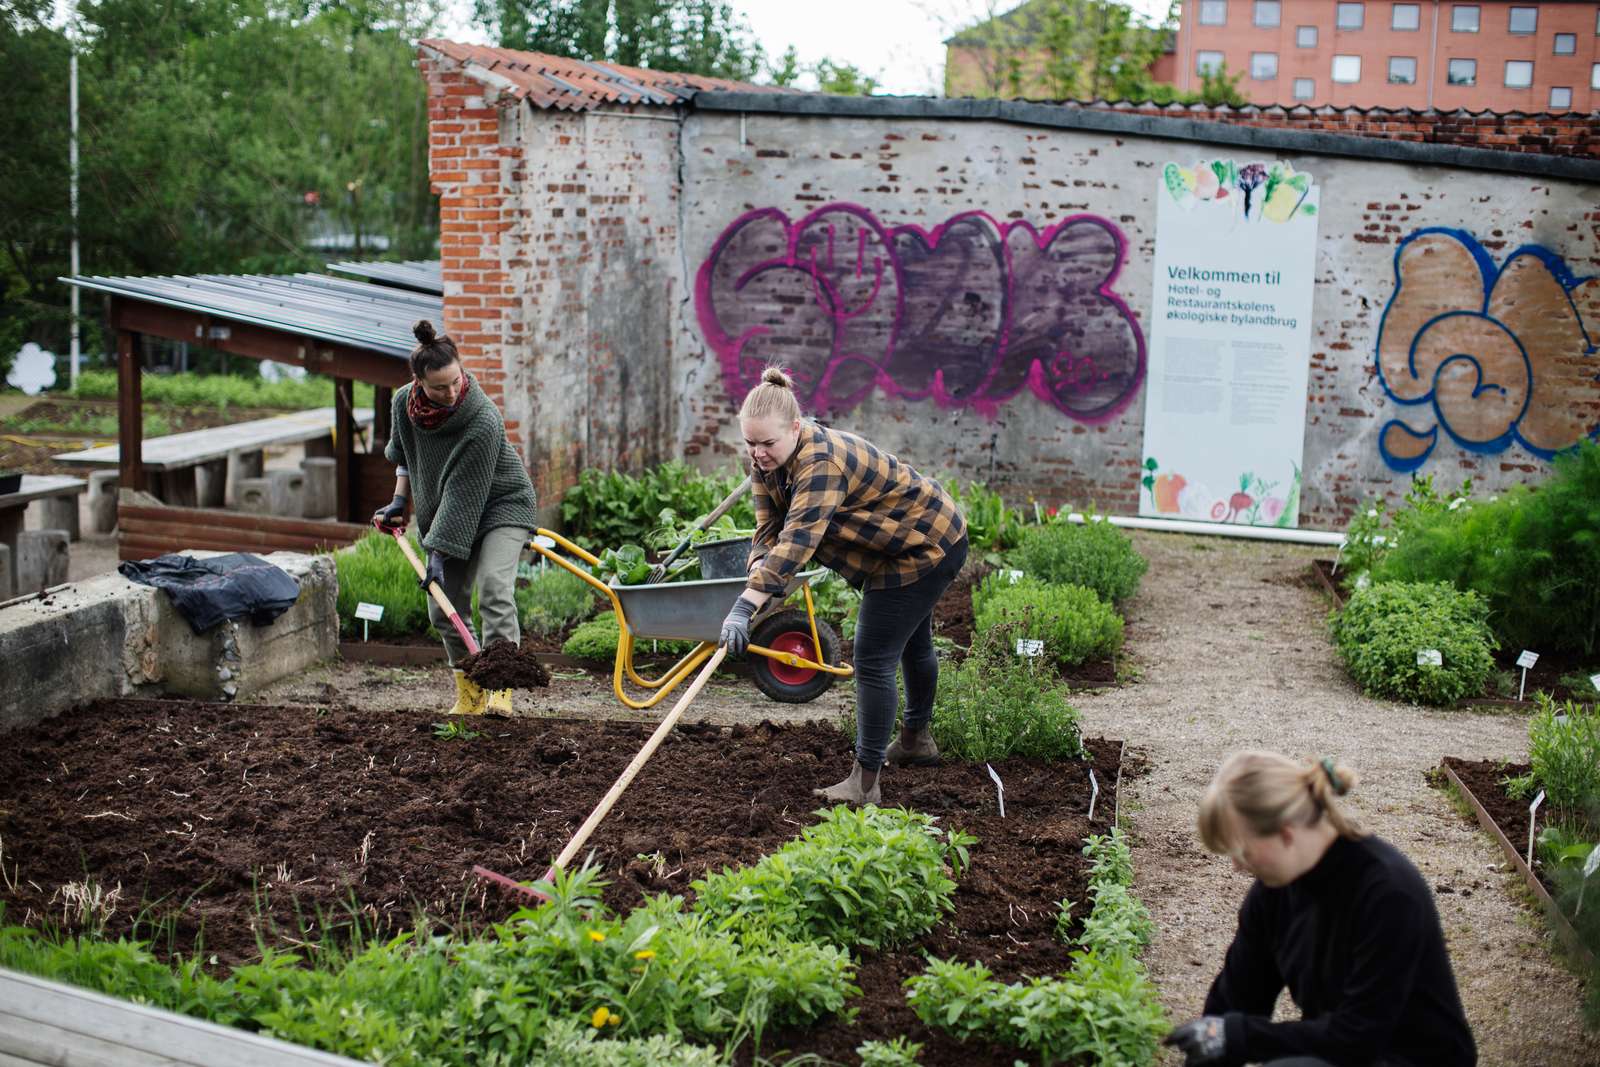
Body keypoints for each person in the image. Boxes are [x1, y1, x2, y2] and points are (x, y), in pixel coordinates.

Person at [718, 366, 968, 804]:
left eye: (767, 443)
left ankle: (866, 783)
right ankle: (917, 742)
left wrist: (745, 606)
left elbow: (797, 541)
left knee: (873, 659)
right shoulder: (769, 458)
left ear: (795, 427)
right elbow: (767, 528)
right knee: (912, 644)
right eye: (750, 443)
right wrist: (758, 573)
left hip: (925, 545)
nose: (757, 453)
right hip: (897, 546)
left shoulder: (820, 463)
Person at [1165, 751, 1477, 1067]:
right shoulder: (1273, 894)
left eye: (1242, 851)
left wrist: (1237, 1035)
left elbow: (1357, 1037)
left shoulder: (1387, 892)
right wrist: (1215, 1043)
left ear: (1285, 833)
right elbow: (1234, 1003)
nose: (1236, 867)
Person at [375, 320, 538, 716]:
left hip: (501, 505)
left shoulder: (481, 418)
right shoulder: (402, 404)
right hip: (452, 511)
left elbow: (465, 496)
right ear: (418, 384)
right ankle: (470, 694)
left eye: (455, 381)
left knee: (495, 589)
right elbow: (406, 456)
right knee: (441, 605)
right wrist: (398, 502)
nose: (450, 393)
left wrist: (435, 552)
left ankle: (500, 688)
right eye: (438, 387)